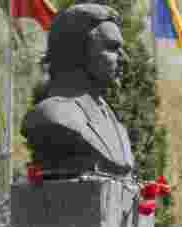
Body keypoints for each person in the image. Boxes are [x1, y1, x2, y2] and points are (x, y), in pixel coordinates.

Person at [22, 4, 133, 178]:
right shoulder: (53, 115)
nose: (125, 59)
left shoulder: (117, 126)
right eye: (112, 47)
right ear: (77, 51)